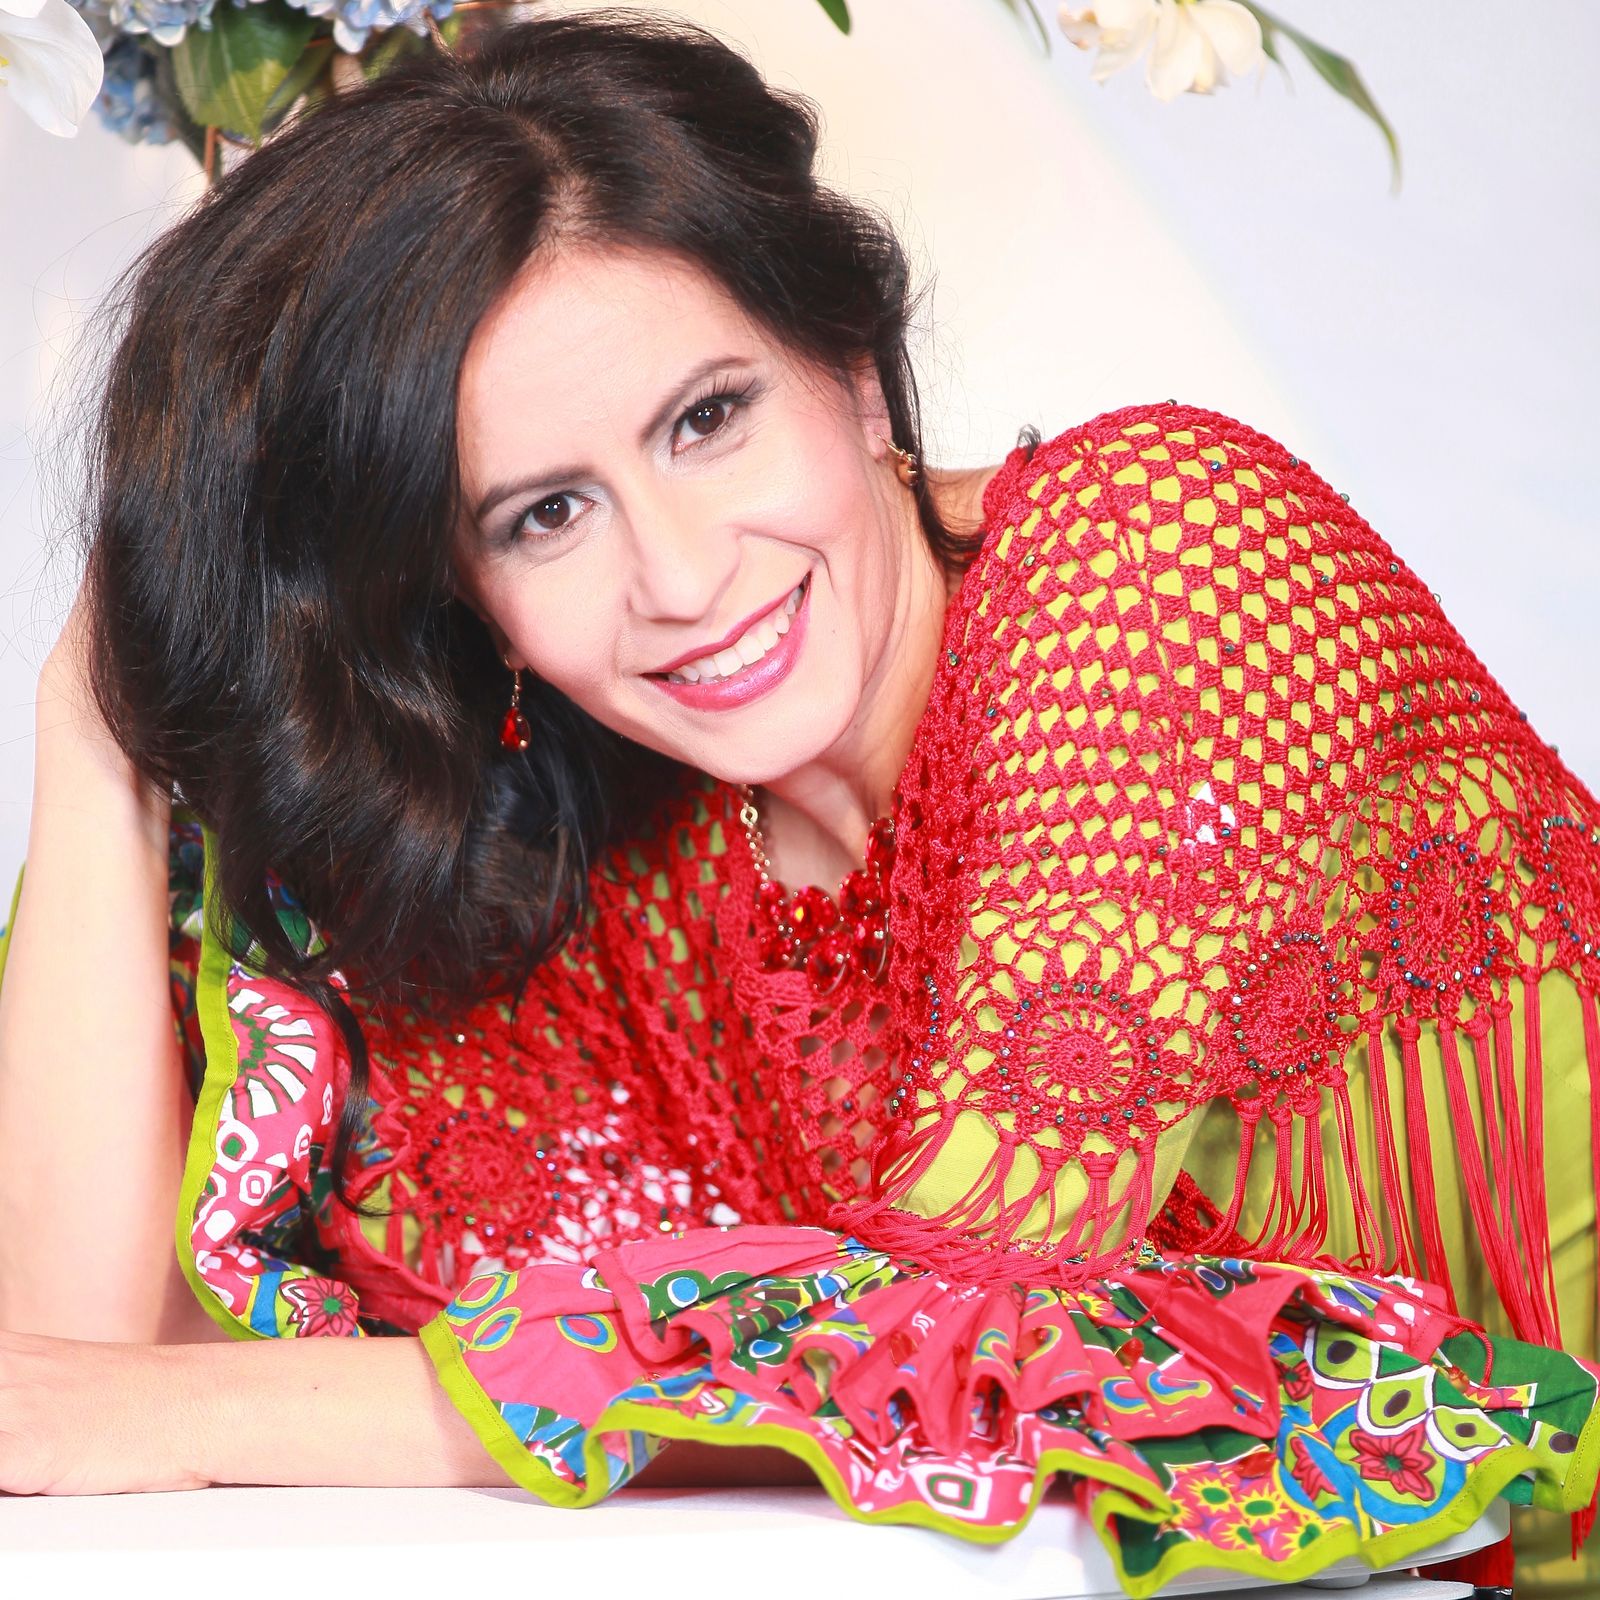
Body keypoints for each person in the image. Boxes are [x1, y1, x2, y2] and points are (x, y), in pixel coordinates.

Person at [0, 10, 1596, 1596]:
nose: (683, 578)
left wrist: (193, 1413)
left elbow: (952, 1320)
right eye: (546, 514)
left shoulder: (1157, 561)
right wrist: (94, 737)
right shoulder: (645, 860)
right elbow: (67, 1386)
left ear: (854, 370)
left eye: (709, 420)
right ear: (476, 604)